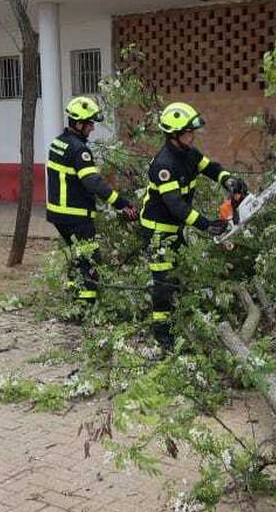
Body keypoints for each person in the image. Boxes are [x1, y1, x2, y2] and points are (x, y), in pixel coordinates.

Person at [138, 101, 246, 349]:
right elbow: (176, 205)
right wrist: (207, 224)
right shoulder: (163, 165)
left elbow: (212, 169)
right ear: (174, 135)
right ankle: (162, 335)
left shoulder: (190, 154)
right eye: (189, 131)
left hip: (174, 228)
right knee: (163, 280)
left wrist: (229, 181)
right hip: (156, 231)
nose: (193, 135)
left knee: (179, 274)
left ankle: (179, 321)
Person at [45, 96, 137, 313]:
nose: (93, 128)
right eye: (90, 123)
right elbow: (93, 182)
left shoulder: (58, 142)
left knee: (77, 257)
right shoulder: (79, 150)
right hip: (76, 216)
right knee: (90, 260)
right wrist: (121, 203)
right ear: (78, 123)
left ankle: (74, 302)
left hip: (59, 215)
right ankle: (86, 309)